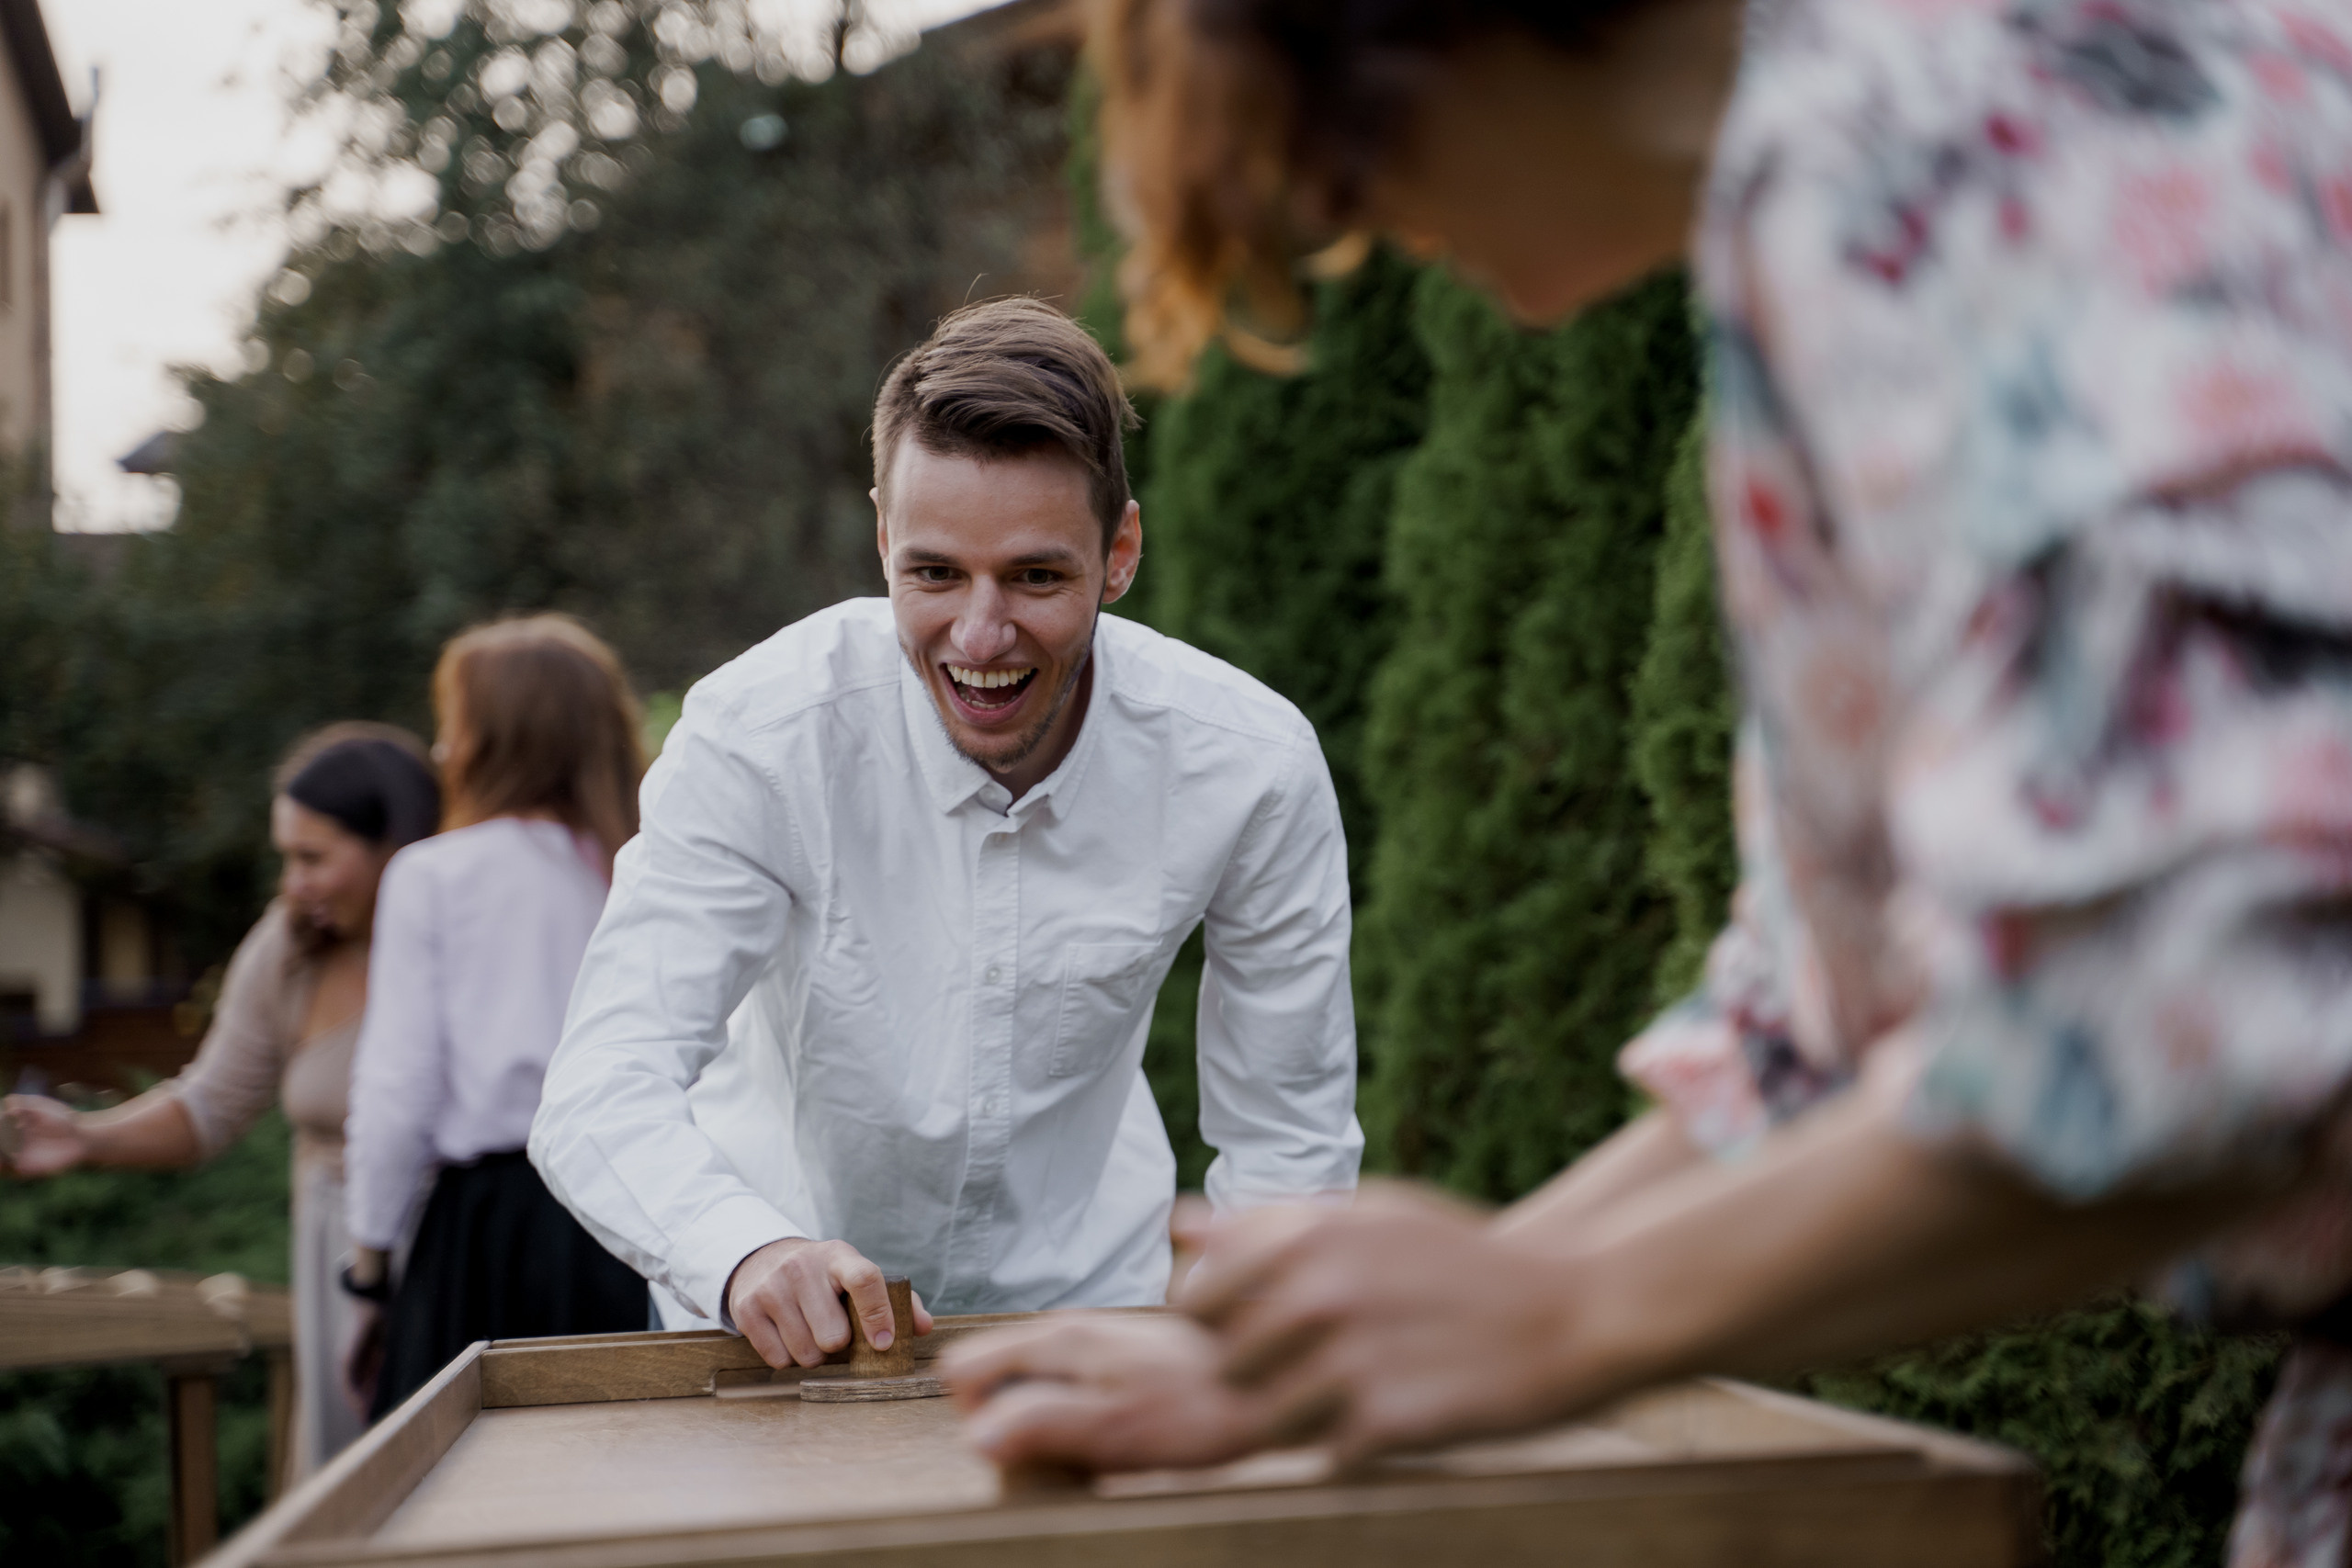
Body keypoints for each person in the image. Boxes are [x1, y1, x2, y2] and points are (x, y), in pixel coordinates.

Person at [944, 2, 2352, 1561]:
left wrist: (1566, 1316)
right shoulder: (1878, 142)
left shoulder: (1916, 147)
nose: (1367, 226)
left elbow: (2192, 1016)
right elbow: (1823, 1032)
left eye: (1342, 167)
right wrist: (1317, 1362)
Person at [530, 296, 1363, 1373]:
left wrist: (1230, 1347)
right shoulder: (759, 734)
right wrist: (740, 1252)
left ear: (1119, 554)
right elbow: (604, 1081)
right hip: (766, 1333)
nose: (979, 635)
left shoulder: (1248, 763)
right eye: (933, 574)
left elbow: (1288, 1135)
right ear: (881, 536)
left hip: (1086, 1318)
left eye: (1036, 576)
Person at [2, 724, 440, 1482]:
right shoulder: (290, 947)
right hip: (336, 1270)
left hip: (455, 1260)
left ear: (395, 846)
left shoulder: (468, 938)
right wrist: (83, 1136)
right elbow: (211, 1104)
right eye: (285, 855)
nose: (293, 881)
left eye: (313, 857)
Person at [343, 615, 651, 1417]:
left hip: (488, 1231)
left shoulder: (434, 876)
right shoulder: (645, 868)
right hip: (633, 1212)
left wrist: (368, 1267)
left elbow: (396, 1090)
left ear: (499, 739)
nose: (443, 752)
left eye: (455, 728)